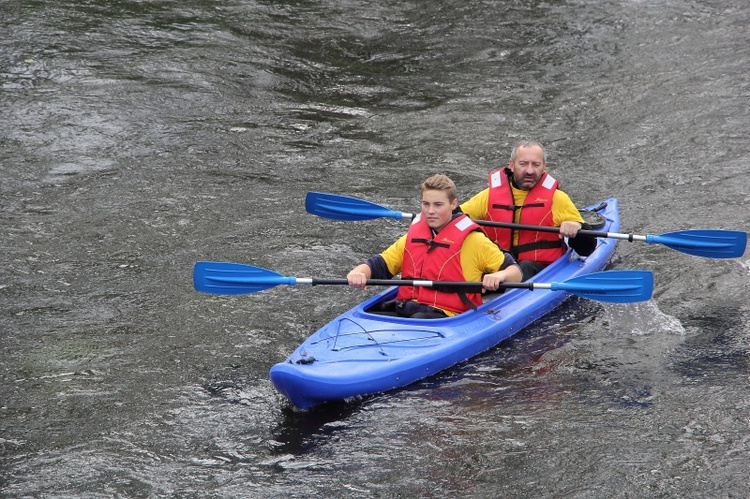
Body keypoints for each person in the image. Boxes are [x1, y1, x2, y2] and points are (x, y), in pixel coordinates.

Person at [347, 174, 522, 319]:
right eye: (426, 204)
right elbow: (379, 265)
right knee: (377, 311)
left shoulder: (474, 241)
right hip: (407, 308)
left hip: (448, 316)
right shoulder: (413, 237)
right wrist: (359, 272)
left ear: (453, 204)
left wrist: (500, 275)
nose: (430, 211)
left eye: (438, 205)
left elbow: (516, 273)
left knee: (418, 318)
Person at [459, 140, 597, 281]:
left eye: (536, 164)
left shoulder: (558, 199)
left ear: (544, 167)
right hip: (497, 265)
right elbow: (455, 219)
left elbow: (587, 250)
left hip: (539, 270)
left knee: (526, 266)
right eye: (523, 164)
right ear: (512, 165)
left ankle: (503, 279)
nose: (529, 171)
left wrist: (577, 228)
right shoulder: (488, 196)